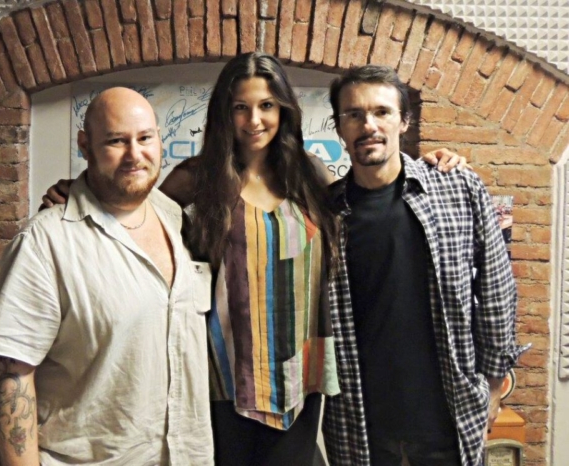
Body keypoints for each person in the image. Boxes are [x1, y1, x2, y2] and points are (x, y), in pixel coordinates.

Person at [41, 53, 464, 466]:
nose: (254, 120)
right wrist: (81, 190)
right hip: (223, 376)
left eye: (266, 106)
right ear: (225, 113)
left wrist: (430, 164)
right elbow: (133, 210)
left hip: (299, 377)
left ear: (283, 110)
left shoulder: (309, 174)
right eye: (240, 107)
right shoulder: (197, 177)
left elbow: (371, 191)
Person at [0, 88, 214, 465]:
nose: (134, 154)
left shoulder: (175, 218)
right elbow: (11, 377)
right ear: (85, 145)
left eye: (145, 138)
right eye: (116, 141)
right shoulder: (45, 242)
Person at [321, 65, 525, 466]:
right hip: (360, 425)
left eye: (382, 112)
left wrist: (494, 387)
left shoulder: (457, 188)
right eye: (354, 114)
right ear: (339, 127)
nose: (368, 125)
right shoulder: (324, 211)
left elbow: (497, 290)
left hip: (449, 418)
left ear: (404, 121)